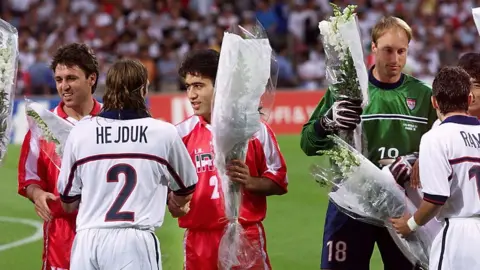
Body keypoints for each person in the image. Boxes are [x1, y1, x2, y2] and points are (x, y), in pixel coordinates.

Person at [300, 16, 437, 270]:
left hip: (402, 207)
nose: (395, 59)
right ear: (373, 48)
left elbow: (441, 147)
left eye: (401, 51)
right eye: (387, 50)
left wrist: (416, 160)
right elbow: (307, 143)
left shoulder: (423, 95)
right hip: (351, 202)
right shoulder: (347, 93)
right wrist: (326, 123)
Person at [57, 59, 198, 270]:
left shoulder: (80, 132)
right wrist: (176, 202)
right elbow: (186, 187)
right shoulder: (163, 133)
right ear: (143, 90)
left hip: (87, 242)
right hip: (134, 243)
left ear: (108, 88)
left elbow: (68, 201)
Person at [174, 49, 288, 270]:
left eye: (199, 85)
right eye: (188, 87)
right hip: (199, 240)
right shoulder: (180, 135)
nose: (191, 95)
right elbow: (171, 191)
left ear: (221, 85)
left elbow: (280, 180)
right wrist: (174, 202)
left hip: (245, 235)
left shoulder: (254, 130)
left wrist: (251, 181)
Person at [17, 42, 102, 269]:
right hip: (61, 236)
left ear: (91, 78)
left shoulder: (111, 122)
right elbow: (29, 178)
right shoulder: (42, 126)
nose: (64, 86)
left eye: (71, 78)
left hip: (105, 231)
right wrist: (38, 194)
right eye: (59, 79)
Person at [391, 66, 480, 270]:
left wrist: (410, 225)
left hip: (460, 235)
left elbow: (436, 199)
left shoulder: (436, 137)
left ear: (434, 102)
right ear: (469, 99)